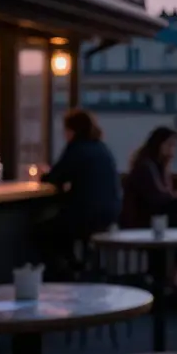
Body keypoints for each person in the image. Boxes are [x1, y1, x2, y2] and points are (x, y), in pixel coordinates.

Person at [41, 110, 121, 278]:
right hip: (109, 214)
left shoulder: (77, 148)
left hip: (85, 215)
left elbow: (56, 176)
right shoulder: (101, 147)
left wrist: (42, 175)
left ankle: (69, 271)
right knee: (64, 230)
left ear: (72, 130)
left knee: (43, 230)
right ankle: (78, 266)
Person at [122, 127, 177, 228]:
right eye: (169, 144)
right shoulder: (146, 167)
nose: (172, 149)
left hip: (151, 217)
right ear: (158, 144)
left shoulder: (158, 166)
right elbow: (157, 198)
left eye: (174, 146)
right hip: (142, 220)